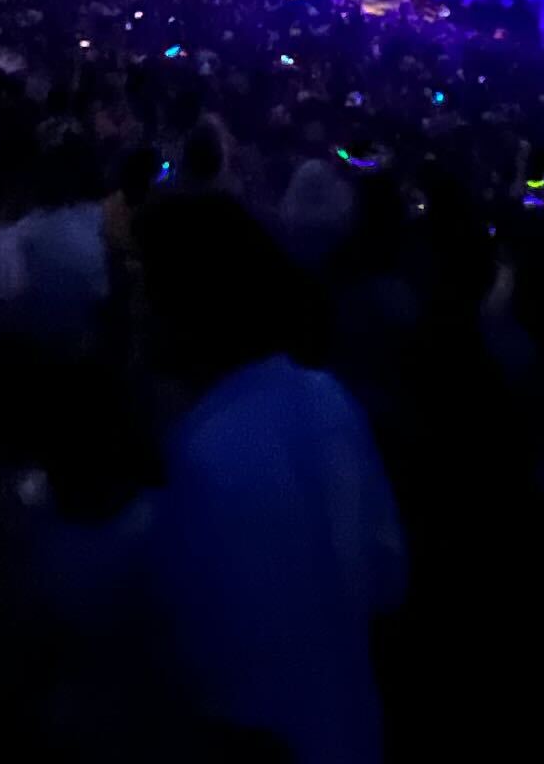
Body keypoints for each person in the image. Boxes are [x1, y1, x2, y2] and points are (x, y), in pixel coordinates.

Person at [144, 193, 407, 764]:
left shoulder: (200, 456)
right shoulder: (328, 397)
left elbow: (201, 670)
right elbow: (390, 579)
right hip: (356, 731)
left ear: (179, 302)